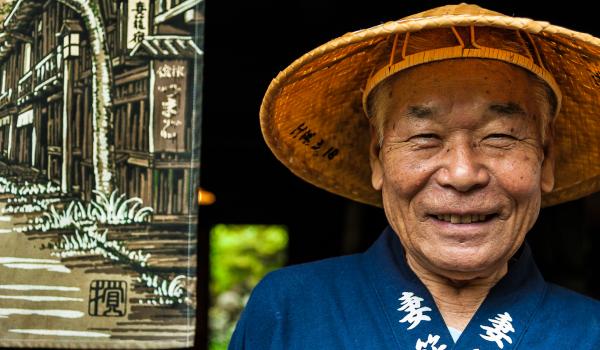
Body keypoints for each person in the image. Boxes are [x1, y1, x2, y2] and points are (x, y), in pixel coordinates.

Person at [230, 4, 600, 349]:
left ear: (545, 159)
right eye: (424, 138)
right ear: (378, 158)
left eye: (499, 136)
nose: (462, 173)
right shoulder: (291, 310)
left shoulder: (589, 330)